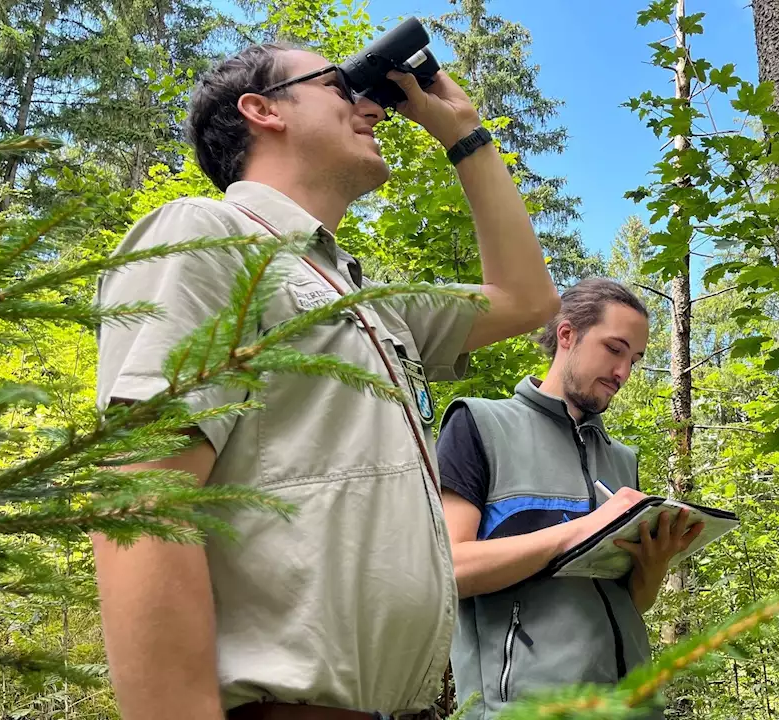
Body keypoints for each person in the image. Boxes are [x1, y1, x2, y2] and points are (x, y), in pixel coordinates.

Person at [92, 42, 559, 720]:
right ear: (260, 111)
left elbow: (526, 298)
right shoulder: (210, 235)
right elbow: (144, 496)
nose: (372, 104)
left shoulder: (370, 307)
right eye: (342, 88)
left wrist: (463, 131)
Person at [437, 278, 705, 718]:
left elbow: (627, 602)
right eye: (614, 349)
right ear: (567, 335)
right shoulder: (480, 425)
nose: (623, 373)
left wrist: (654, 564)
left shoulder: (621, 461)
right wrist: (584, 530)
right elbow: (449, 569)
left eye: (634, 359)